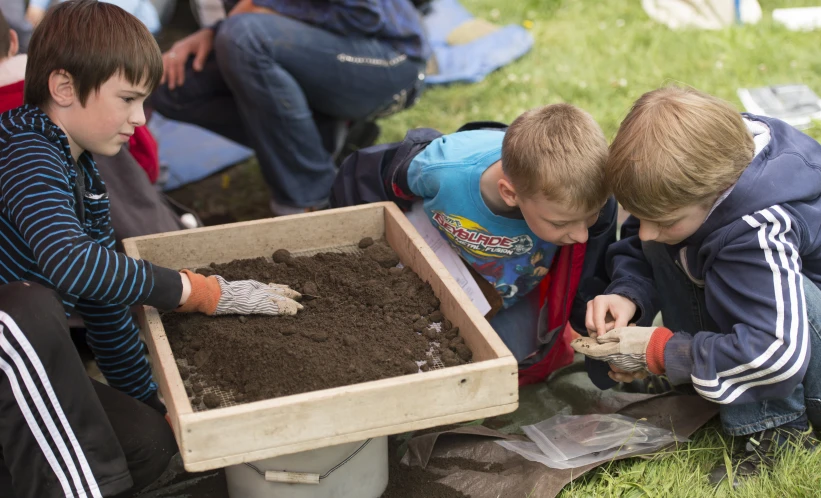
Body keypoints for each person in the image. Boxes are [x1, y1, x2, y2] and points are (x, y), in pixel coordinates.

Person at [0, 2, 303, 494]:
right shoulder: (24, 149)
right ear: (63, 87)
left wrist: (158, 409)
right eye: (127, 99)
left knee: (144, 442)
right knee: (27, 308)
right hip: (10, 339)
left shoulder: (86, 178)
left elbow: (105, 308)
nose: (140, 119)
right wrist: (199, 292)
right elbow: (73, 264)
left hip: (18, 368)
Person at [574, 86, 821, 485]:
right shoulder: (705, 163)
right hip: (782, 328)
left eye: (665, 219)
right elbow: (649, 234)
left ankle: (778, 432)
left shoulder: (756, 230)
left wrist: (662, 351)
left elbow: (775, 354)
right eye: (640, 214)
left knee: (728, 266)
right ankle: (703, 382)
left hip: (796, 354)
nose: (648, 232)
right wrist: (628, 292)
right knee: (674, 242)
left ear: (716, 192)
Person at [331, 104, 618, 384]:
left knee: (504, 364)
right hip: (431, 276)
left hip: (505, 295)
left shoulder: (586, 195)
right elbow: (365, 179)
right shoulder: (442, 169)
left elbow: (591, 272)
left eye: (589, 218)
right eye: (560, 224)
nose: (581, 235)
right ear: (509, 193)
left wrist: (594, 330)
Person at [151, 0, 430, 216]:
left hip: (391, 57)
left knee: (245, 36)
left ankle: (314, 201)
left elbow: (364, 15)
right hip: (316, 51)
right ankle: (323, 136)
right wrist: (212, 33)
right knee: (172, 84)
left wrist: (259, 10)